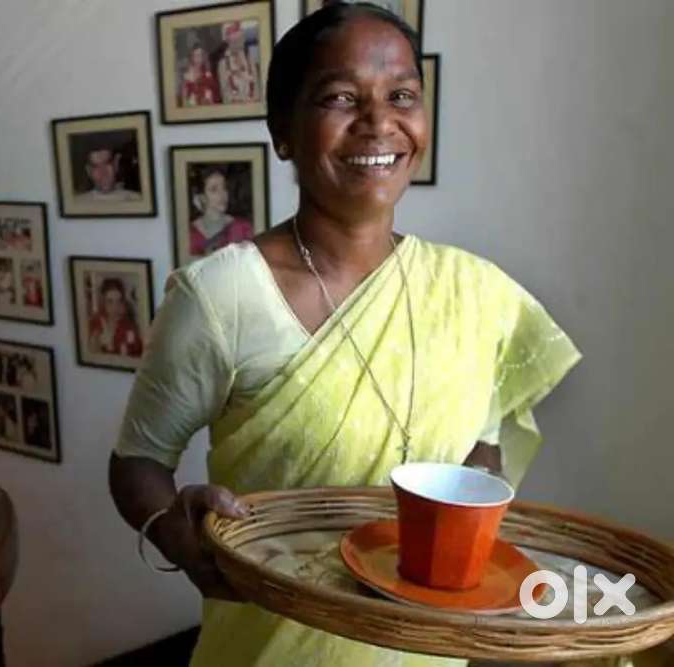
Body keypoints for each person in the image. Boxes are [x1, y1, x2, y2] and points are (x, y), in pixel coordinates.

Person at [109, 4, 582, 666]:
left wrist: (463, 511)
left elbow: (482, 448)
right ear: (282, 131)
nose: (379, 121)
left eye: (402, 96)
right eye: (339, 97)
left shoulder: (477, 295)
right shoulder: (221, 295)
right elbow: (136, 464)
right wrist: (180, 538)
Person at [189, 166, 254, 257]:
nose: (222, 194)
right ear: (201, 197)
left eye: (224, 187)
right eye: (214, 189)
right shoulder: (190, 234)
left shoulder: (243, 228)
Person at [88, 278, 144, 358]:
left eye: (119, 301)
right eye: (110, 301)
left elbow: (139, 354)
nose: (115, 307)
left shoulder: (129, 324)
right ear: (103, 302)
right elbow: (90, 356)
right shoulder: (96, 322)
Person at [74, 143, 141, 203]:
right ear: (88, 171)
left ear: (116, 164)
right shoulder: (77, 204)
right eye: (96, 166)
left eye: (107, 163)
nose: (103, 173)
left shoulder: (137, 200)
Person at [217, 21, 259, 104]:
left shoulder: (250, 60)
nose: (239, 42)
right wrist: (239, 102)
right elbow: (225, 93)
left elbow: (257, 87)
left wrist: (254, 101)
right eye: (235, 40)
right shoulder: (223, 64)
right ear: (228, 41)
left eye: (240, 39)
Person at [180, 40, 220, 107]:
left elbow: (215, 93)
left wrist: (210, 95)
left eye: (200, 55)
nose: (198, 58)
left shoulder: (207, 73)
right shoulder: (187, 75)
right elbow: (184, 98)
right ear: (192, 57)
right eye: (196, 55)